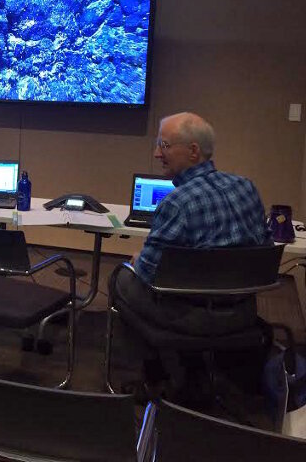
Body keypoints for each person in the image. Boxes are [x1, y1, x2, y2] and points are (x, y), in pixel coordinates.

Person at [112, 112, 272, 396]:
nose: (157, 153)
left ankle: (156, 374)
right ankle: (194, 367)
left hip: (193, 318)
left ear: (193, 151)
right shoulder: (247, 186)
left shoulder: (177, 203)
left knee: (120, 278)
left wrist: (138, 261)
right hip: (245, 313)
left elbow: (149, 275)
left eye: (164, 145)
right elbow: (265, 247)